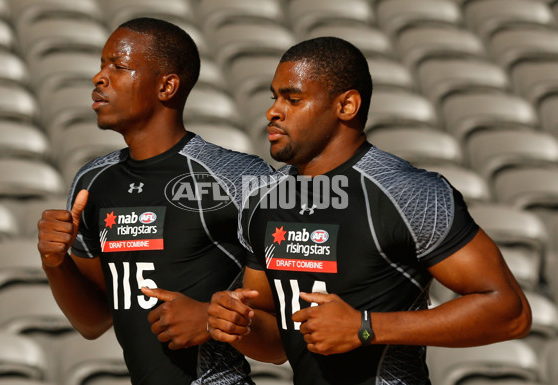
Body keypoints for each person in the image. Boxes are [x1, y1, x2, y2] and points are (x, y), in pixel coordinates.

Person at [207, 36, 532, 384]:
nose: (273, 111)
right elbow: (276, 346)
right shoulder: (264, 199)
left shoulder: (407, 192)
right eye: (275, 98)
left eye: (293, 99)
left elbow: (509, 312)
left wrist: (365, 327)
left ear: (346, 106)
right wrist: (240, 324)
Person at [37, 17, 272, 385]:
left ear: (166, 86)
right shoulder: (93, 181)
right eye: (101, 65)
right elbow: (93, 321)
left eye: (118, 66)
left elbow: (284, 343)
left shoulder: (240, 178)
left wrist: (212, 320)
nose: (99, 78)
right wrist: (55, 263)